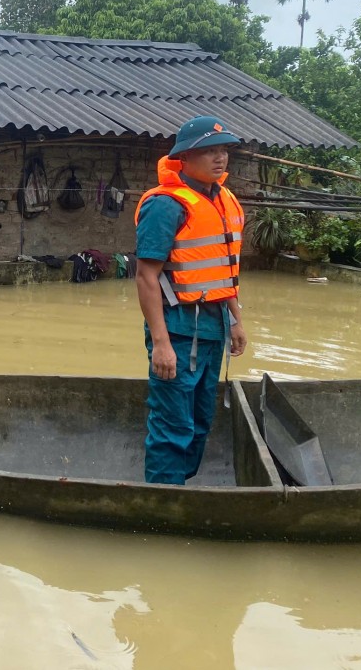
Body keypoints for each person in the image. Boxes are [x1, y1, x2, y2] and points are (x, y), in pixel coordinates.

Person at [134, 116, 248, 485]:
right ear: (184, 156)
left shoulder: (224, 200)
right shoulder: (166, 205)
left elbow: (224, 271)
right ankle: (163, 502)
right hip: (178, 329)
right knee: (173, 424)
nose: (220, 158)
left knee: (200, 422)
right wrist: (161, 344)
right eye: (209, 151)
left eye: (224, 150)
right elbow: (146, 275)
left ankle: (179, 491)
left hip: (214, 327)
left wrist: (236, 321)